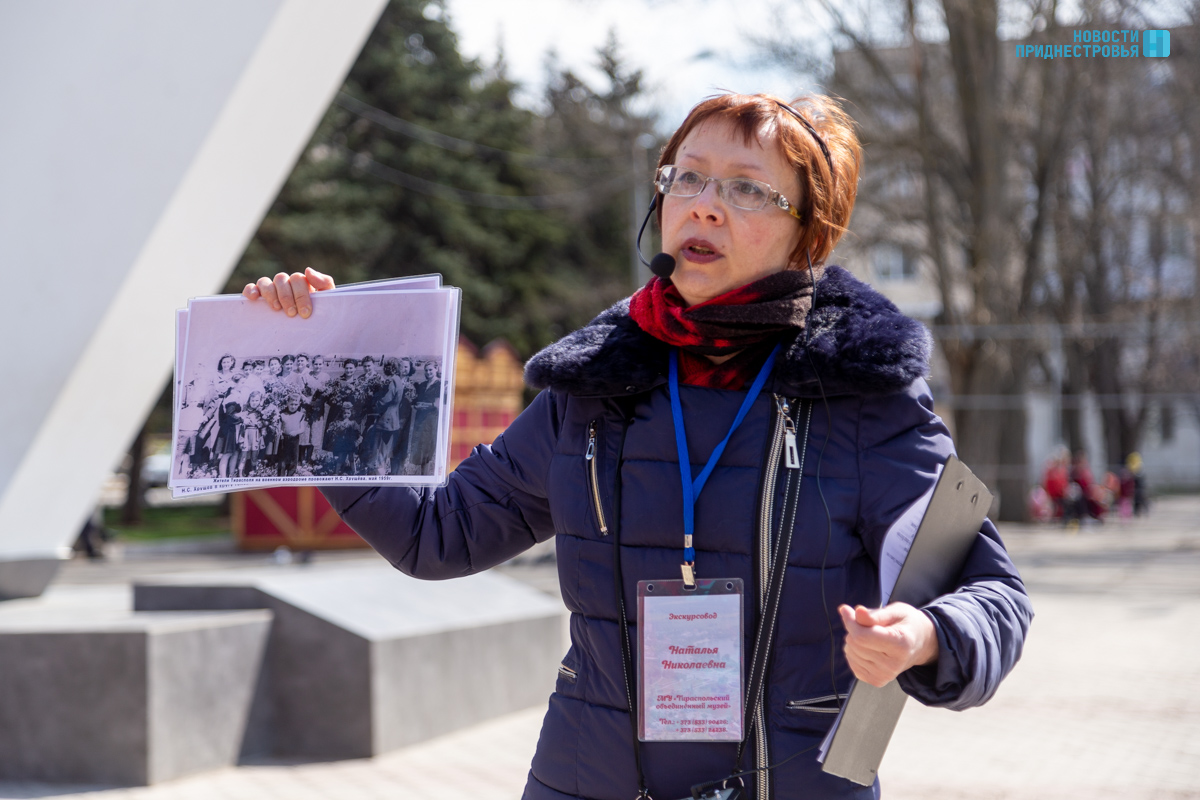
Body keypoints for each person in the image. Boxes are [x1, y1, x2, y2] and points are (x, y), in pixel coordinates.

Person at [243, 93, 1032, 800]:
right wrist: (322, 375)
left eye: (747, 189)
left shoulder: (862, 394)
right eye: (686, 178)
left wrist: (923, 636)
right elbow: (437, 534)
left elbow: (993, 595)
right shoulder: (596, 382)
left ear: (808, 234)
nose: (705, 207)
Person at [406, 360, 441, 475]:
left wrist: (425, 405)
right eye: (426, 370)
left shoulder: (439, 384)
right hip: (420, 420)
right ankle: (421, 475)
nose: (428, 372)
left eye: (430, 370)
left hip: (430, 420)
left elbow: (438, 404)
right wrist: (415, 404)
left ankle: (426, 475)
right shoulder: (422, 385)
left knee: (427, 447)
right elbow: (415, 401)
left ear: (436, 369)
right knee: (420, 447)